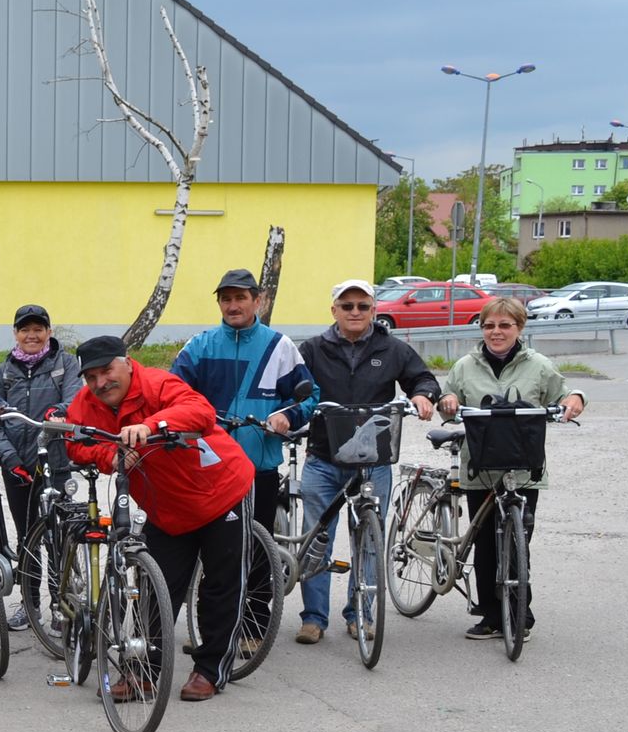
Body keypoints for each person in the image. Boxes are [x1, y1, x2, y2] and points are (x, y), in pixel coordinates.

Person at [62, 334, 255, 702]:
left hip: (220, 491)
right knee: (154, 589)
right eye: (91, 377)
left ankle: (210, 670)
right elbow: (75, 441)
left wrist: (150, 426)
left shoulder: (157, 384)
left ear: (127, 362)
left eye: (107, 371)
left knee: (221, 586)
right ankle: (143, 673)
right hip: (165, 508)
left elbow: (200, 411)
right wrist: (109, 456)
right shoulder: (87, 402)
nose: (101, 383)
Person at [170, 268, 318, 648]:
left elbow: (309, 396)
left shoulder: (279, 347)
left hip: (258, 467)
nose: (233, 305)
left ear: (258, 301)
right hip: (209, 468)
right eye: (226, 298)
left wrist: (287, 416)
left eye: (240, 298)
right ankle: (211, 634)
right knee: (211, 553)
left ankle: (253, 627)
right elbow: (173, 394)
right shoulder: (200, 346)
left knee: (256, 551)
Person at [292, 279, 439, 644]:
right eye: (347, 306)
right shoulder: (312, 349)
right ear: (334, 311)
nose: (355, 312)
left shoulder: (392, 348)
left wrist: (423, 395)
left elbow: (422, 378)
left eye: (362, 306)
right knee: (316, 540)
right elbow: (292, 386)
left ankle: (361, 613)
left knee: (369, 540)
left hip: (374, 461)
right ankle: (314, 618)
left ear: (374, 310)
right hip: (324, 458)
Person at [436, 296, 586, 642]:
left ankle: (520, 615)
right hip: (480, 468)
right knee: (486, 544)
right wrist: (449, 402)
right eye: (489, 325)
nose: (496, 332)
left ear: (519, 328)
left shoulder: (539, 365)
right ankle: (491, 615)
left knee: (518, 542)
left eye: (505, 325)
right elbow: (447, 402)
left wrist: (574, 400)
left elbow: (565, 394)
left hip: (523, 469)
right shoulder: (465, 366)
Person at [0, 302, 82, 627]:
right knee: (28, 538)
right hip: (18, 467)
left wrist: (58, 413)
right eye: (25, 329)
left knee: (58, 536)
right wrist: (9, 458)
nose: (32, 335)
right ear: (15, 333)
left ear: (48, 332)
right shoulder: (5, 371)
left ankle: (60, 605)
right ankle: (30, 606)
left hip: (54, 463)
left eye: (38, 329)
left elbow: (74, 400)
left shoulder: (65, 363)